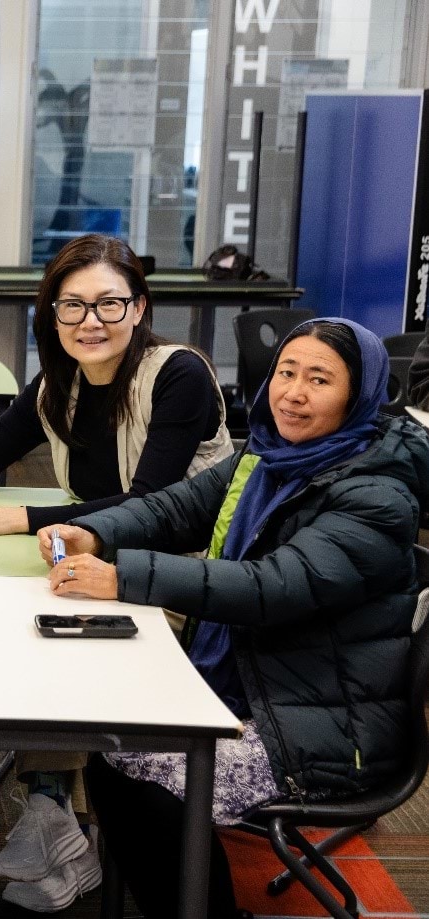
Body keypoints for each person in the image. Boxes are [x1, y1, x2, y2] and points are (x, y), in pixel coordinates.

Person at [0, 233, 233, 911]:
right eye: (72, 307)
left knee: (55, 641)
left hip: (178, 572)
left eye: (108, 304)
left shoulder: (177, 373)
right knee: (14, 624)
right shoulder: (57, 382)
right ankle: (55, 818)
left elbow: (155, 505)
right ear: (52, 315)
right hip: (92, 555)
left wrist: (20, 517)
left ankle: (51, 811)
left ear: (139, 307)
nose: (90, 322)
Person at [43, 318, 429, 918]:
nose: (293, 393)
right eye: (286, 372)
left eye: (320, 379)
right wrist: (93, 532)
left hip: (323, 730)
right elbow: (177, 509)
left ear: (359, 396)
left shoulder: (377, 493)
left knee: (141, 782)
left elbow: (271, 588)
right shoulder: (270, 454)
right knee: (110, 747)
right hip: (266, 685)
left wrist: (123, 577)